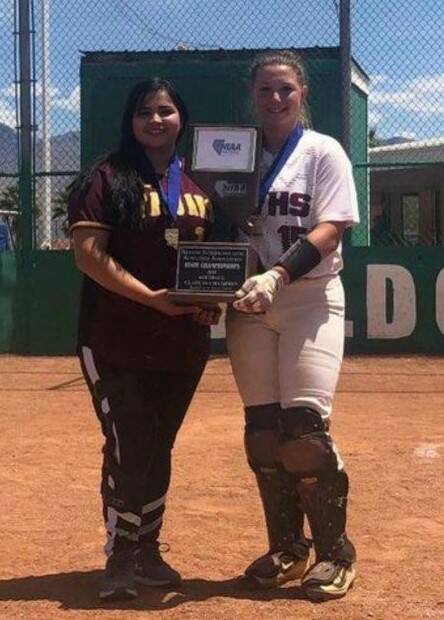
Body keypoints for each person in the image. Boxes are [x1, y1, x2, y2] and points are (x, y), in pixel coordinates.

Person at [68, 78, 220, 601]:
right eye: (144, 112)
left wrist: (211, 301)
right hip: (114, 336)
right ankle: (121, 554)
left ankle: (148, 550)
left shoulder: (201, 181)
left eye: (165, 110)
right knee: (129, 441)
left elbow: (220, 257)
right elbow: (88, 255)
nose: (155, 120)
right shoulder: (107, 177)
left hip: (181, 340)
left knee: (158, 445)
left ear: (182, 118)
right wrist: (150, 298)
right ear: (129, 121)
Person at [225, 50, 359, 602]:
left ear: (302, 93)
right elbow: (208, 217)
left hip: (308, 298)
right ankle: (287, 546)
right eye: (265, 90)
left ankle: (335, 553)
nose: (275, 98)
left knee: (302, 430)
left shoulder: (322, 151)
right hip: (248, 305)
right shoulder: (234, 151)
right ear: (252, 96)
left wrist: (278, 274)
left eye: (285, 89)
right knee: (262, 433)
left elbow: (332, 226)